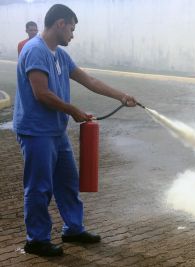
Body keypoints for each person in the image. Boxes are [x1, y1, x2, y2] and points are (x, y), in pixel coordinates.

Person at [13, 4, 137, 257]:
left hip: (56, 131)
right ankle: (36, 239)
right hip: (36, 131)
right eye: (72, 27)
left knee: (68, 183)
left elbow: (89, 80)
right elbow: (42, 94)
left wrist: (121, 96)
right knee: (39, 187)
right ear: (60, 24)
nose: (73, 34)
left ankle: (73, 228)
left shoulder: (59, 54)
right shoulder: (35, 50)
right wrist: (73, 111)